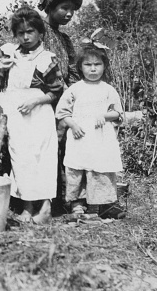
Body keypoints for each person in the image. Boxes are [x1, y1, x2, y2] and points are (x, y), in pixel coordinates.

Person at [0, 6, 64, 224]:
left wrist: (36, 100)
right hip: (16, 114)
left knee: (43, 158)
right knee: (21, 158)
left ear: (40, 33)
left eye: (30, 32)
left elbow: (56, 91)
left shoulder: (48, 58)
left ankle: (45, 207)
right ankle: (28, 207)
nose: (26, 37)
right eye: (21, 33)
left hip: (39, 113)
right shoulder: (9, 55)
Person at [55, 45, 126, 220]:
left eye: (97, 64)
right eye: (88, 65)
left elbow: (119, 113)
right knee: (77, 168)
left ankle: (105, 205)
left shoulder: (108, 89)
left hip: (101, 138)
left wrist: (105, 115)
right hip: (80, 137)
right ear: (80, 67)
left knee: (101, 169)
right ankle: (77, 204)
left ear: (104, 66)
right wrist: (72, 125)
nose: (93, 69)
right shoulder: (75, 89)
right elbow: (62, 112)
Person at [38, 0, 83, 215]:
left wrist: (76, 94)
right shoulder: (38, 33)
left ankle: (62, 198)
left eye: (72, 10)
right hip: (43, 99)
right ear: (51, 7)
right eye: (64, 8)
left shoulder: (65, 39)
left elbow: (73, 70)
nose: (69, 14)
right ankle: (42, 198)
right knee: (46, 147)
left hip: (63, 102)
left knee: (64, 147)